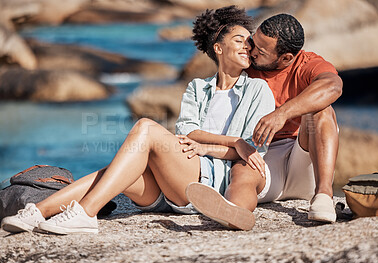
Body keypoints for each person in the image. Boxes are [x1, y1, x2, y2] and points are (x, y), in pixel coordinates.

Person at [1, 5, 275, 234]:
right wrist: (231, 142)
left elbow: (252, 148)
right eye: (240, 40)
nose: (247, 46)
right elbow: (187, 132)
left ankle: (85, 213)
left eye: (248, 42)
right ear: (218, 48)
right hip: (179, 179)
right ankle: (38, 212)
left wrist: (214, 147)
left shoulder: (257, 89)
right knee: (112, 173)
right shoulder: (197, 87)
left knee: (145, 126)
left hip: (214, 183)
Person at [186, 13, 343, 227]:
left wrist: (282, 114)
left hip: (304, 159)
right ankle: (235, 214)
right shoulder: (246, 65)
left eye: (260, 51)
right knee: (242, 170)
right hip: (265, 157)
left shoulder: (307, 64)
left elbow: (333, 86)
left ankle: (324, 196)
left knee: (322, 110)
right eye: (253, 42)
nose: (250, 51)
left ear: (286, 58)